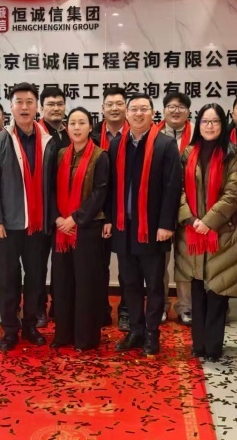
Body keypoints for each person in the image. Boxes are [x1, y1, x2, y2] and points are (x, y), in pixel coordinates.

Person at [0, 82, 57, 352]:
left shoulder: (49, 140)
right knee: (8, 279)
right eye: (19, 102)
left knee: (36, 278)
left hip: (39, 225)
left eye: (29, 102)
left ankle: (30, 326)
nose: (24, 107)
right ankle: (10, 329)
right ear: (11, 107)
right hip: (9, 225)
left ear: (37, 106)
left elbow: (55, 184)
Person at [108, 93, 181, 356]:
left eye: (144, 109)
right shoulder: (117, 145)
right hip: (124, 227)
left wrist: (166, 224)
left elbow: (173, 187)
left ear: (153, 113)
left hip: (152, 229)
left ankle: (152, 333)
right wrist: (110, 219)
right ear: (127, 114)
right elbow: (111, 187)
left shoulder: (165, 144)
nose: (138, 114)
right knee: (129, 283)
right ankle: (136, 331)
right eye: (134, 109)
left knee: (154, 285)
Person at [175, 104, 237, 362]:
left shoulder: (233, 154)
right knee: (197, 290)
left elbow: (234, 193)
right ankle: (198, 344)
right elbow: (178, 189)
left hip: (223, 232)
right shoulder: (188, 153)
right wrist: (191, 219)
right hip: (192, 231)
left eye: (215, 121)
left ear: (223, 124)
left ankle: (214, 346)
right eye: (205, 121)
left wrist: (209, 222)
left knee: (217, 290)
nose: (210, 126)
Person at [50, 107, 110, 351]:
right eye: (72, 123)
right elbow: (51, 188)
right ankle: (63, 334)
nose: (76, 127)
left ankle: (85, 338)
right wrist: (57, 218)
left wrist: (75, 219)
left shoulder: (100, 156)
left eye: (81, 122)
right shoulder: (60, 154)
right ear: (67, 127)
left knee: (86, 285)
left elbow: (100, 192)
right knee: (62, 283)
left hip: (87, 229)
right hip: (61, 230)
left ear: (90, 127)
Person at [90, 86, 129, 330]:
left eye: (119, 104)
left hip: (127, 211)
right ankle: (101, 309)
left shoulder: (136, 135)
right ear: (102, 108)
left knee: (127, 267)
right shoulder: (92, 135)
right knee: (98, 265)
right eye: (110, 104)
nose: (114, 108)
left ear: (126, 107)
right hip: (98, 212)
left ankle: (126, 310)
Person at [158, 92, 194, 326]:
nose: (176, 110)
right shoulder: (153, 135)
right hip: (161, 208)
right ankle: (160, 305)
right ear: (164, 110)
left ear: (188, 111)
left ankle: (186, 307)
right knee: (159, 262)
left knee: (186, 261)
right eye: (171, 106)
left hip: (188, 208)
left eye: (181, 107)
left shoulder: (197, 135)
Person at [37, 86, 71, 327]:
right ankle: (38, 308)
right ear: (41, 108)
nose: (56, 108)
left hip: (66, 213)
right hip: (41, 212)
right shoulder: (36, 134)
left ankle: (60, 305)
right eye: (50, 104)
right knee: (38, 265)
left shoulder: (69, 133)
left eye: (60, 104)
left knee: (62, 265)